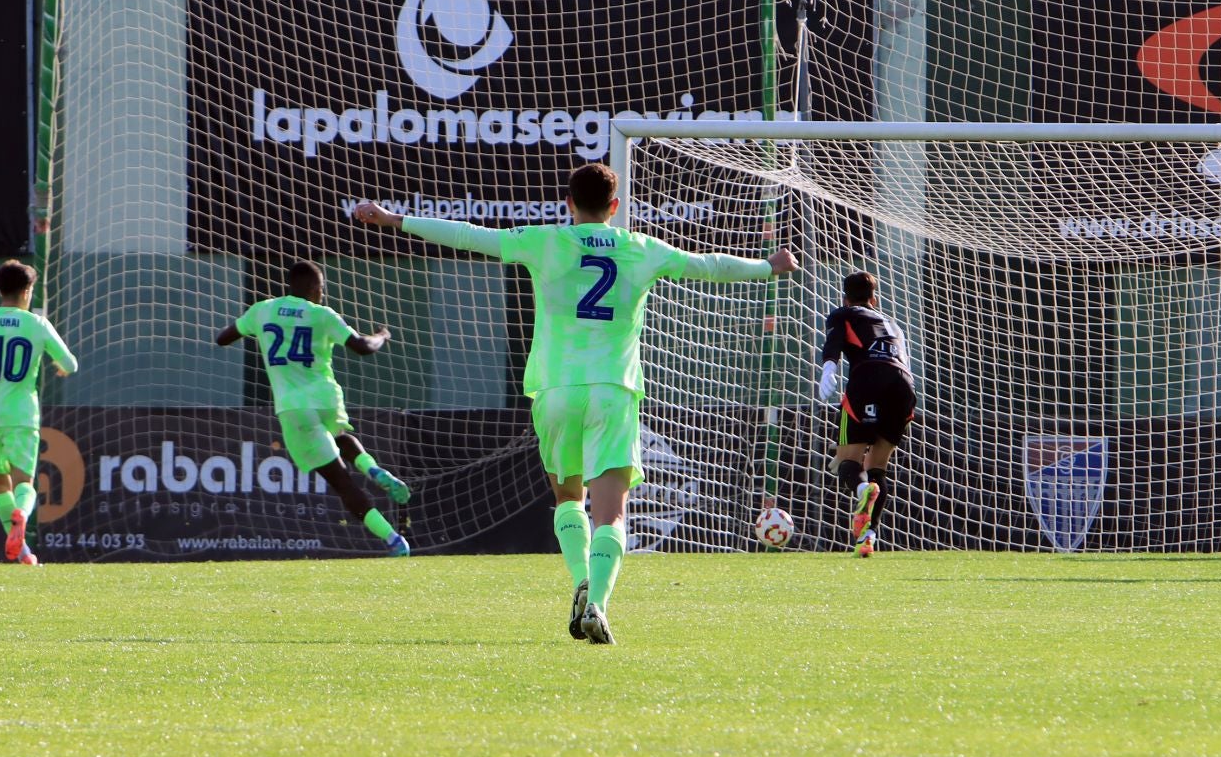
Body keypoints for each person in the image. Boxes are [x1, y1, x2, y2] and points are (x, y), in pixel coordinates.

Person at [354, 164, 799, 644]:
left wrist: (394, 219)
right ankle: (600, 602)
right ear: (615, 206)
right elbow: (709, 265)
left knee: (568, 499)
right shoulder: (640, 247)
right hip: (613, 390)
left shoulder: (545, 242)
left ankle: (579, 582)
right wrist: (767, 266)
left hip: (557, 389)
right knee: (612, 515)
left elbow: (469, 235)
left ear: (568, 204)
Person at [216, 261, 410, 557]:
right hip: (326, 397)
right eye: (322, 289)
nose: (323, 294)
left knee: (341, 482)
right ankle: (372, 468)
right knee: (339, 434)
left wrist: (263, 333)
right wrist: (382, 336)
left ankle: (393, 539)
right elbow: (362, 347)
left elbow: (223, 338)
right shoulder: (322, 315)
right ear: (315, 288)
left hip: (294, 407)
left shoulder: (262, 310)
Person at [0, 260, 79, 567]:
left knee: (0, 482)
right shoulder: (37, 325)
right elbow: (70, 363)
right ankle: (22, 516)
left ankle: (24, 554)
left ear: (0, 289)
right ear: (27, 291)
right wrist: (60, 367)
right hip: (22, 414)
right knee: (24, 482)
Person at [818, 271, 915, 557]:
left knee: (848, 462)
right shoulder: (894, 325)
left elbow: (834, 343)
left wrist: (829, 369)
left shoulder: (843, 313)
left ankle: (862, 492)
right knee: (877, 466)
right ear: (874, 298)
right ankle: (868, 535)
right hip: (904, 386)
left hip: (868, 380)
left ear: (845, 297)